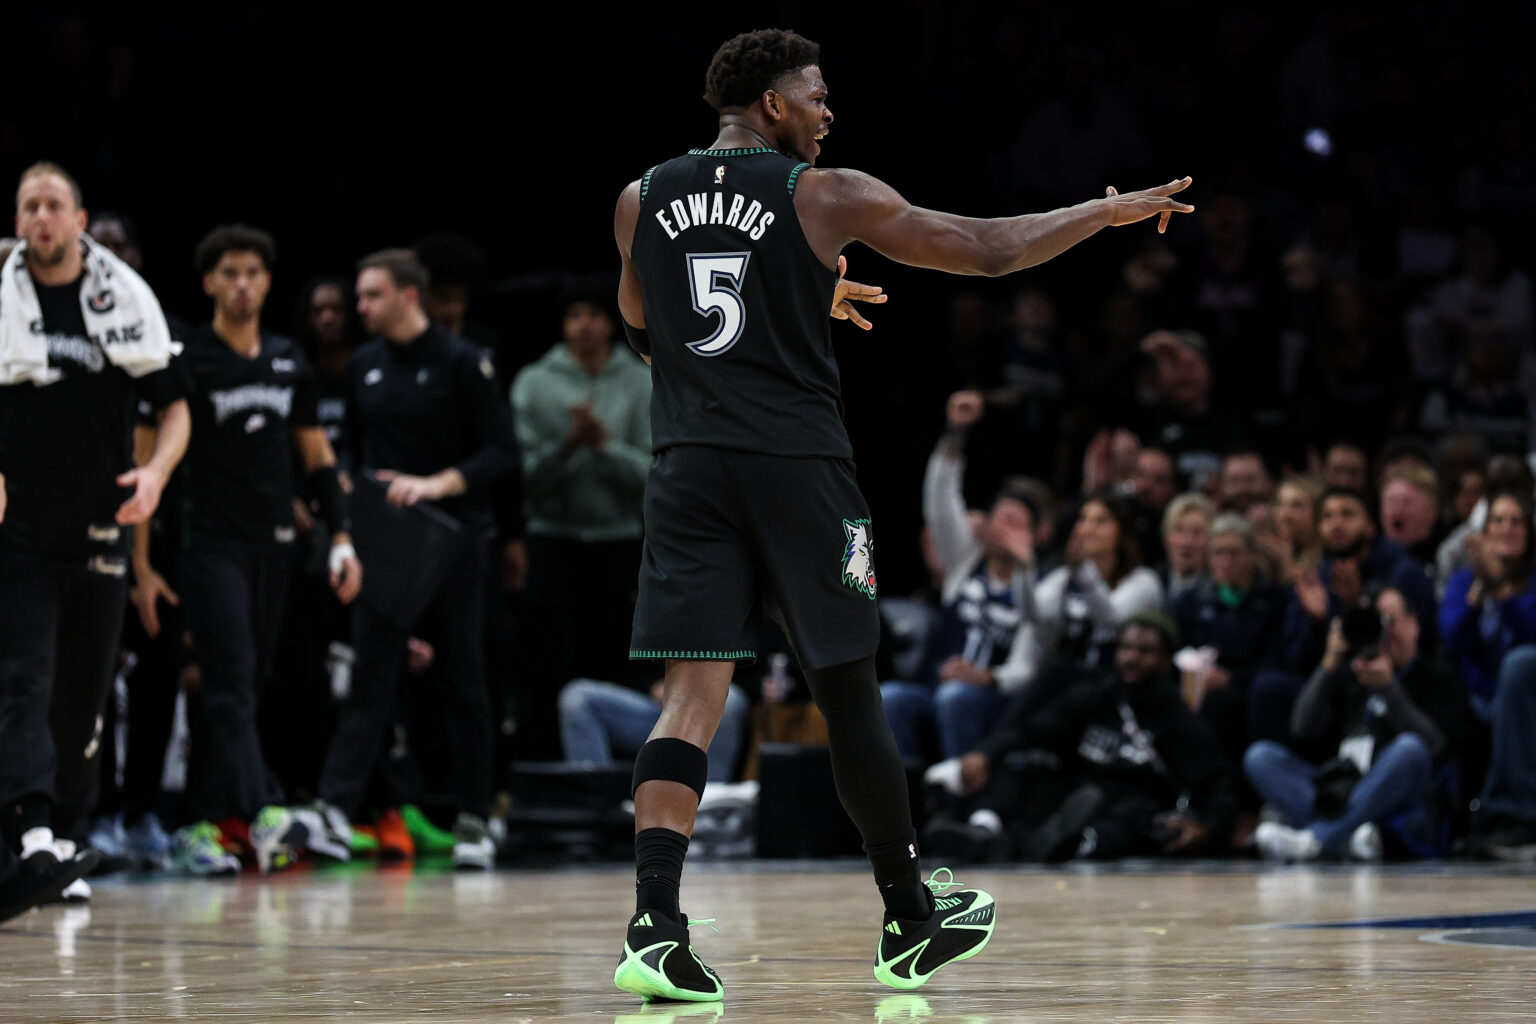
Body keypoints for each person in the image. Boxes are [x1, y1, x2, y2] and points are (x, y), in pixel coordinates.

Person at [610, 28, 1193, 1001]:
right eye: (817, 95)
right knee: (846, 689)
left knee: (691, 695)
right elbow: (988, 248)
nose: (830, 112)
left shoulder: (640, 200)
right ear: (773, 106)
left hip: (688, 468)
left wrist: (795, 301)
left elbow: (646, 331)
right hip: (797, 467)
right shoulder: (820, 193)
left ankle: (654, 927)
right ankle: (907, 915)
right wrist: (1102, 212)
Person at [137, 225, 362, 874]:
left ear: (267, 283)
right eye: (229, 273)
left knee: (242, 686)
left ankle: (205, 823)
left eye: (253, 273)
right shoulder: (189, 357)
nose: (242, 284)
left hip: (276, 550)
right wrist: (143, 562)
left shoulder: (289, 359)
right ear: (208, 282)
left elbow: (316, 456)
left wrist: (342, 535)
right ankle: (266, 808)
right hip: (208, 546)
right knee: (231, 680)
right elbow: (147, 455)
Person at [1, 163, 189, 900]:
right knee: (22, 678)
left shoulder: (124, 305)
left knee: (85, 693)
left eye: (54, 205)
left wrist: (156, 475)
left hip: (102, 529)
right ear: (19, 222)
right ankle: (31, 831)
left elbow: (175, 408)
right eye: (29, 207)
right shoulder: (5, 300)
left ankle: (70, 836)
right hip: (19, 533)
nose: (41, 218)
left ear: (79, 220)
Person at [311, 248, 518, 871]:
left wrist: (435, 483)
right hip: (389, 544)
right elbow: (351, 447)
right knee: (370, 672)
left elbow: (502, 451)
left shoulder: (461, 362)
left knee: (464, 676)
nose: (360, 308)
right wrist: (348, 489)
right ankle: (335, 810)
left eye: (372, 295)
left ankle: (476, 818)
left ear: (408, 296)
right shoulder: (366, 365)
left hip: (455, 537)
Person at [925, 613, 1236, 864]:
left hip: (1131, 802)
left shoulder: (1179, 720)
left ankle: (1049, 845)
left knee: (1127, 823)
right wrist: (985, 753)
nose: (1131, 658)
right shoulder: (1098, 695)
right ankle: (985, 829)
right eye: (1126, 648)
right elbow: (1033, 729)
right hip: (1075, 791)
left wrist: (1207, 829)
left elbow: (1219, 779)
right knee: (1022, 765)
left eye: (1145, 651)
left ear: (1166, 660)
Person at [512, 290, 651, 730]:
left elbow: (658, 472)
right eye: (574, 315)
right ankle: (549, 767)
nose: (584, 324)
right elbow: (522, 474)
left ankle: (620, 771)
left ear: (612, 322)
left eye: (593, 314)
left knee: (619, 655)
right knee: (546, 657)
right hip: (553, 538)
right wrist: (569, 445)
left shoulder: (641, 379)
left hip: (620, 540)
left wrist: (603, 447)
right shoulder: (534, 382)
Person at [880, 390, 1042, 763]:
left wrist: (989, 679)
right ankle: (904, 799)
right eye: (1000, 518)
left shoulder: (1039, 588)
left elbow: (1030, 664)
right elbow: (939, 498)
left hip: (992, 701)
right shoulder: (965, 564)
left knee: (956, 698)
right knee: (891, 697)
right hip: (934, 690)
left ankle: (957, 801)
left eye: (1017, 522)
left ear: (1036, 534)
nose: (1005, 529)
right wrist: (955, 433)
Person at [1246, 587, 1466, 861]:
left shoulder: (1437, 676)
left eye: (1391, 621)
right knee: (1260, 757)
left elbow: (1435, 747)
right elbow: (1302, 728)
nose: (1384, 633)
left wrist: (1389, 690)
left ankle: (1316, 839)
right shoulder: (1350, 675)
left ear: (1414, 625)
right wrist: (1328, 666)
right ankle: (1344, 836)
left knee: (1409, 749)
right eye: (1375, 622)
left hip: (1399, 795)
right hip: (1343, 788)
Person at [1173, 513, 1287, 768]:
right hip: (1198, 686)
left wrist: (1234, 678)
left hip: (1248, 688)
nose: (1225, 561)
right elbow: (1179, 650)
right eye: (1218, 553)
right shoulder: (1192, 600)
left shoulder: (1273, 600)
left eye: (1234, 553)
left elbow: (1278, 657)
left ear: (1251, 555)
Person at [1159, 491, 1215, 604]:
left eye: (1197, 532)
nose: (1186, 542)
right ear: (1166, 537)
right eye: (1179, 530)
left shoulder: (1220, 589)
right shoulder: (1152, 581)